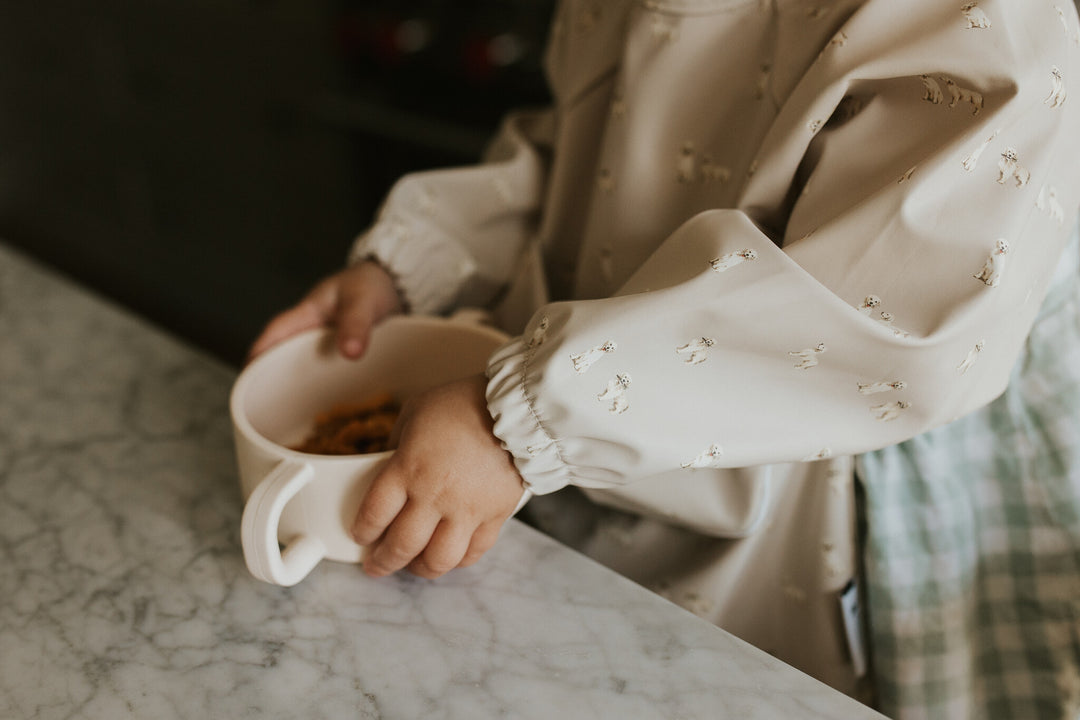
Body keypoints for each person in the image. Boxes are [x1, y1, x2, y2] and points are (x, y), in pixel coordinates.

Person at [250, 1, 1080, 717]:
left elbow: (895, 317)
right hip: (568, 455)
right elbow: (573, 153)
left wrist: (519, 423)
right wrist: (414, 261)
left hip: (800, 498)